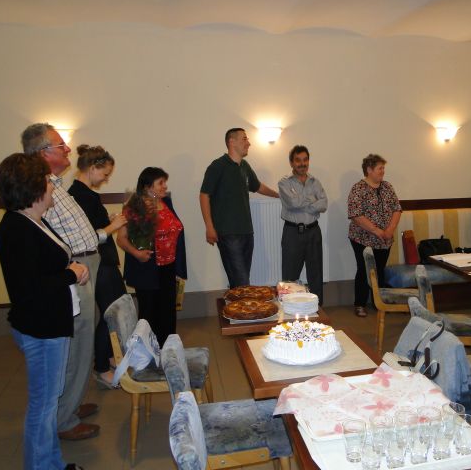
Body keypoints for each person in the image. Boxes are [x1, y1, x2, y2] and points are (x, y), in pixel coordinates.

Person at [0, 153, 89, 470]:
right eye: (48, 181)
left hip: (50, 323)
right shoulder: (16, 229)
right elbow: (29, 287)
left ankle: (52, 463)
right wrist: (71, 274)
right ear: (33, 187)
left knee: (49, 400)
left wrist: (70, 268)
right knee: (44, 406)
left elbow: (45, 265)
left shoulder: (34, 220)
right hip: (41, 327)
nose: (52, 186)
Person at [21, 123, 101, 441]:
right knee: (77, 343)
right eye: (60, 145)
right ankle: (64, 418)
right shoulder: (38, 188)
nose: (68, 149)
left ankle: (70, 404)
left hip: (83, 266)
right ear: (43, 153)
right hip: (74, 269)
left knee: (83, 341)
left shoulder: (55, 183)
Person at [68, 145, 127, 388]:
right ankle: (101, 367)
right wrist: (114, 226)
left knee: (114, 310)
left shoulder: (87, 194)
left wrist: (108, 221)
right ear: (93, 168)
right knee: (109, 313)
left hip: (104, 261)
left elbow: (95, 226)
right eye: (105, 173)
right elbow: (90, 237)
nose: (106, 178)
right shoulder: (79, 195)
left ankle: (109, 357)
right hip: (99, 263)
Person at [200, 128, 279, 288]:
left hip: (247, 231)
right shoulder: (217, 166)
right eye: (244, 139)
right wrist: (209, 227)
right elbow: (204, 195)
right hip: (228, 233)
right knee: (242, 281)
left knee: (239, 281)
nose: (248, 143)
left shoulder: (244, 166)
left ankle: (234, 303)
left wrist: (278, 195)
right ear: (232, 142)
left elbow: (257, 186)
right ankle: (241, 304)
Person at [117, 167, 187, 347]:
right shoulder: (134, 207)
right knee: (149, 313)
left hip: (168, 266)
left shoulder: (166, 203)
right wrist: (137, 253)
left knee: (168, 311)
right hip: (147, 267)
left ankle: (168, 350)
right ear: (148, 187)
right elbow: (121, 239)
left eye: (165, 182)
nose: (165, 186)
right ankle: (148, 352)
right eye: (160, 183)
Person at [347, 154, 401, 317]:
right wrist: (378, 231)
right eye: (380, 168)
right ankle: (360, 304)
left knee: (380, 271)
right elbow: (356, 215)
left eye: (383, 168)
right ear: (369, 170)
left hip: (385, 240)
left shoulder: (387, 187)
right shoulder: (358, 188)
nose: (383, 171)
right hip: (362, 239)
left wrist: (390, 230)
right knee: (364, 270)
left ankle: (379, 303)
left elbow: (397, 209)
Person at [278, 145, 328, 304]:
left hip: (313, 231)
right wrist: (313, 200)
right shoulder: (284, 182)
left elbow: (324, 204)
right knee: (290, 276)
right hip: (292, 232)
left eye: (305, 160)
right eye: (298, 160)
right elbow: (293, 203)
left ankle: (318, 308)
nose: (302, 164)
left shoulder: (315, 181)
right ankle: (289, 309)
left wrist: (302, 201)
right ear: (291, 163)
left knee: (316, 274)